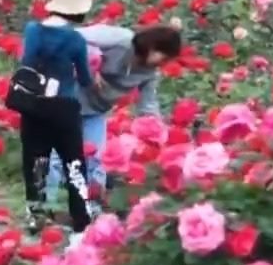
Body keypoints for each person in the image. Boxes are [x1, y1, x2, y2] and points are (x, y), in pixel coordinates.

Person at [47, 25, 182, 207]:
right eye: (164, 57)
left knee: (96, 158)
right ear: (152, 47)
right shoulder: (121, 39)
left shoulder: (150, 73)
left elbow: (148, 105)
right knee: (56, 155)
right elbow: (75, 37)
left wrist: (157, 135)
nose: (164, 63)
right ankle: (45, 205)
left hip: (95, 109)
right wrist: (89, 65)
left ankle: (91, 208)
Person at [15, 0, 100, 242]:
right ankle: (81, 218)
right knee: (73, 162)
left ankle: (35, 215)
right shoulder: (75, 39)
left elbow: (26, 62)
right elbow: (84, 78)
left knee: (35, 161)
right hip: (64, 107)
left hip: (34, 105)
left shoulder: (33, 30)